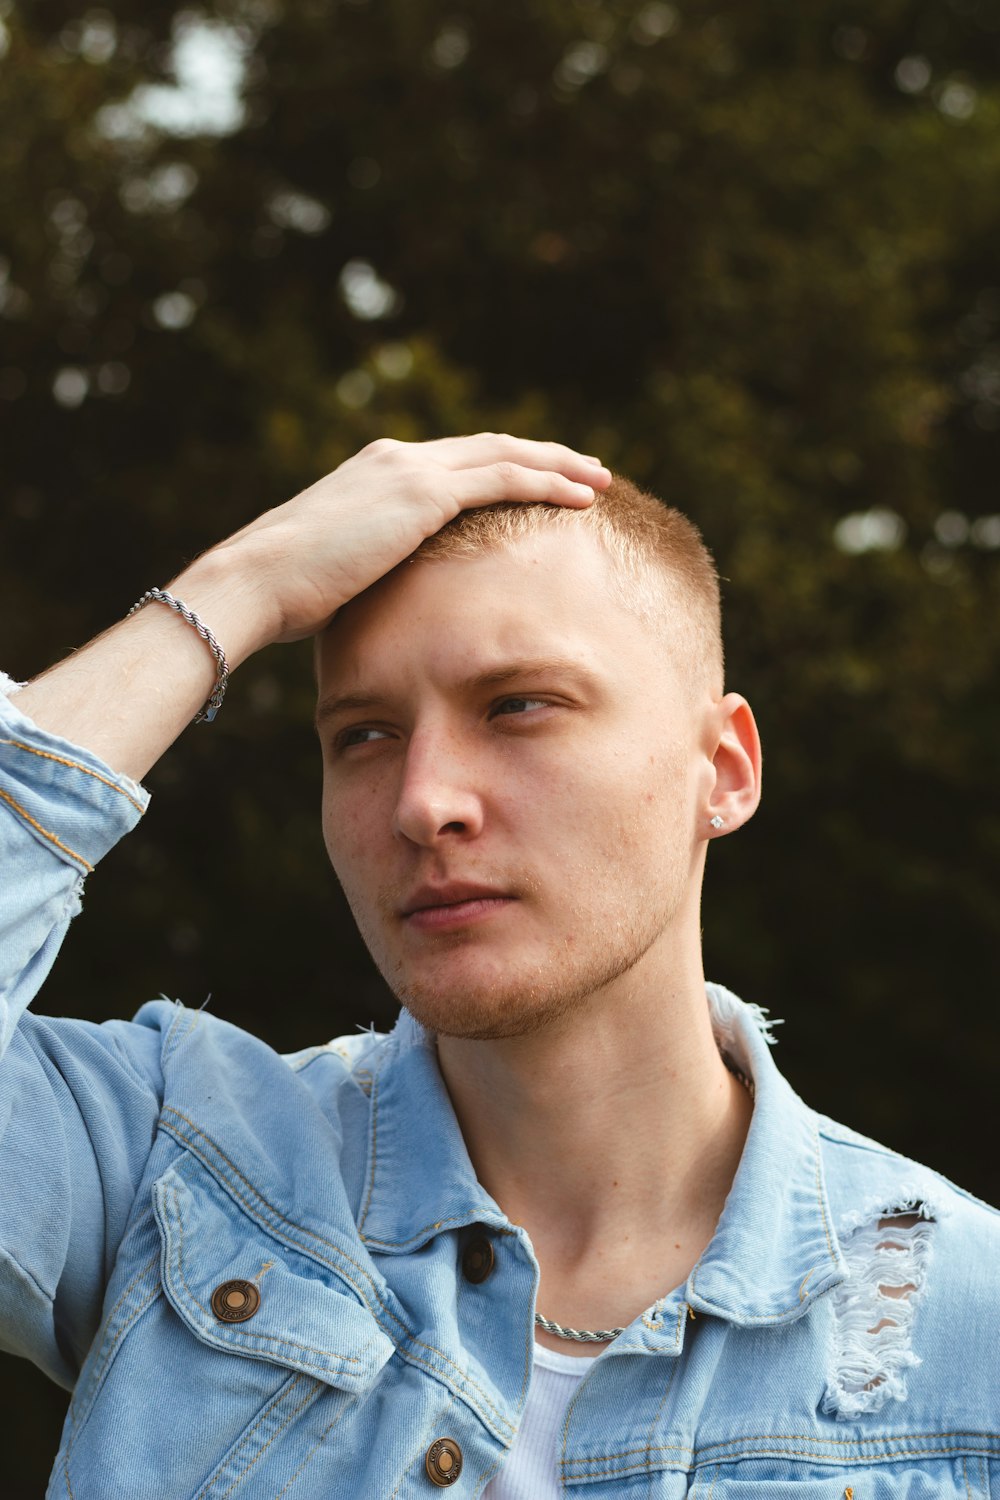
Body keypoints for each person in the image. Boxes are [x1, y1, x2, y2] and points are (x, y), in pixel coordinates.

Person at [1, 432, 997, 1498]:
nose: (425, 802)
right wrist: (237, 590)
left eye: (516, 705)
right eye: (365, 736)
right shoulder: (175, 1164)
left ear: (724, 769)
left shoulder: (966, 1333)